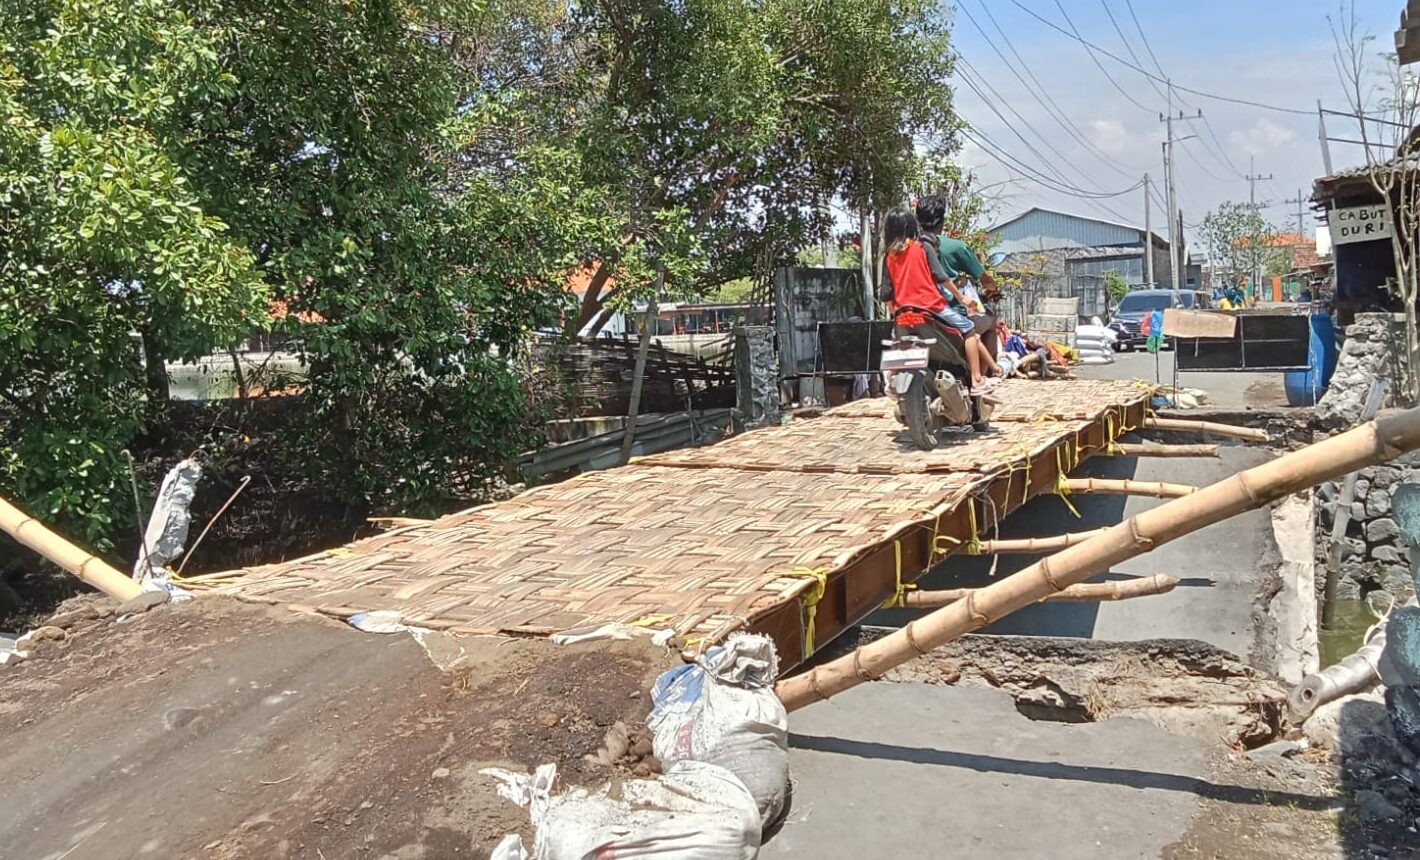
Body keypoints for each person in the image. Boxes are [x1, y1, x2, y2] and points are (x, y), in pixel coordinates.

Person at [878, 207, 992, 391]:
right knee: (969, 329)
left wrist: (897, 312)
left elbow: (886, 294)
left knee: (899, 343)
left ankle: (892, 380)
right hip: (931, 309)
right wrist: (962, 298)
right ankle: (977, 380)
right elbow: (941, 277)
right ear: (912, 226)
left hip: (903, 315)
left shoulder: (889, 257)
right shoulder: (922, 248)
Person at [914, 195, 1003, 370]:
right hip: (948, 312)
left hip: (916, 309)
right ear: (941, 220)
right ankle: (980, 377)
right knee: (991, 322)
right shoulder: (955, 247)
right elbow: (984, 279)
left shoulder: (908, 247)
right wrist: (993, 288)